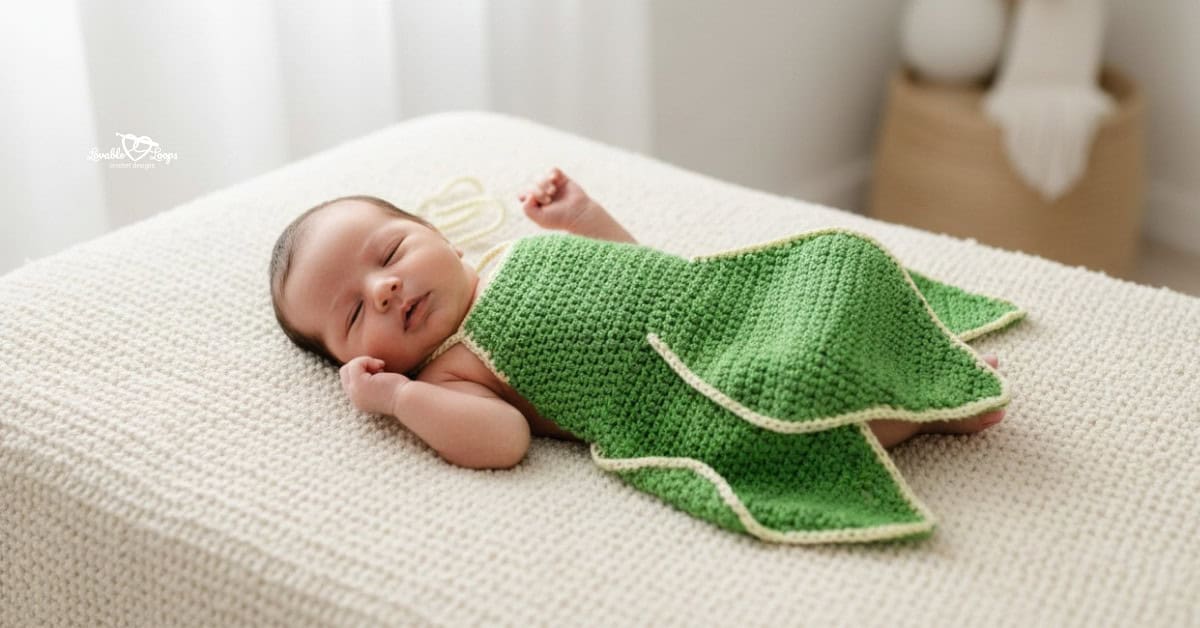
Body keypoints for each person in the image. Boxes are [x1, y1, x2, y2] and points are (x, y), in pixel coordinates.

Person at [270, 168, 1021, 543]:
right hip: (675, 386)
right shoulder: (451, 368)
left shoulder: (508, 253)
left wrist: (584, 218)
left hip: (715, 303)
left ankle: (915, 350)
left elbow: (633, 266)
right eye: (353, 311)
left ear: (433, 231)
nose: (386, 287)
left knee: (837, 262)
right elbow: (503, 442)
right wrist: (401, 403)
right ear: (356, 360)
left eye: (389, 252)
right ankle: (928, 411)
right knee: (784, 393)